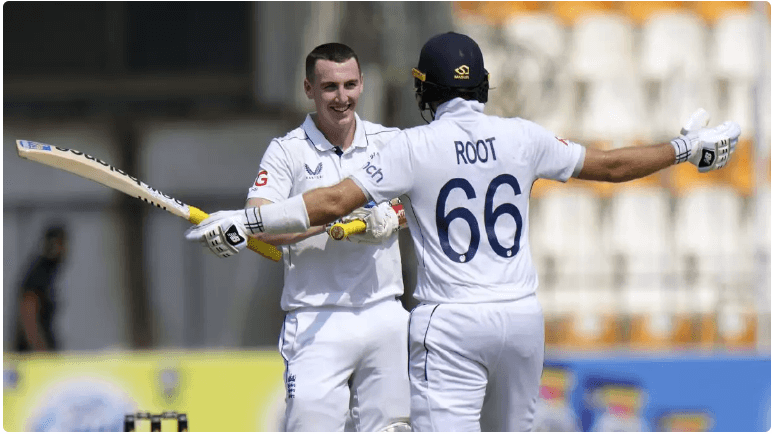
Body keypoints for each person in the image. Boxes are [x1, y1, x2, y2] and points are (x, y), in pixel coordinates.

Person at [186, 32, 740, 431]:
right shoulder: (522, 136)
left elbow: (331, 203)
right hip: (522, 318)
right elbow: (614, 167)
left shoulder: (410, 145)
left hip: (451, 322)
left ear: (424, 91)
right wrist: (685, 148)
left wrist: (248, 220)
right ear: (484, 85)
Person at [195, 43, 410, 431]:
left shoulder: (389, 141)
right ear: (309, 89)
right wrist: (335, 216)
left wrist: (393, 216)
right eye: (330, 87)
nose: (341, 98)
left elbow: (426, 204)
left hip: (384, 311)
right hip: (316, 318)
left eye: (349, 85)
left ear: (361, 85)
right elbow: (261, 219)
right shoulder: (286, 151)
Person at [14, 225, 67, 353]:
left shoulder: (48, 272)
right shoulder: (39, 274)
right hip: (34, 358)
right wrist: (41, 353)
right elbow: (28, 317)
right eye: (62, 244)